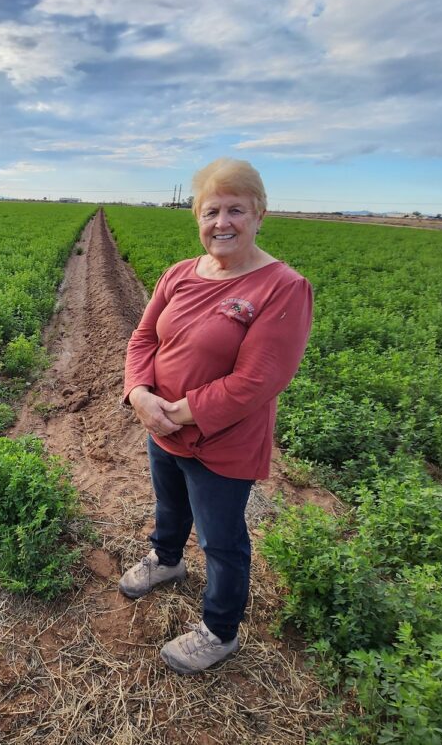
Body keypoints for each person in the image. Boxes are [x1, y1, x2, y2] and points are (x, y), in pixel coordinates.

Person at [120, 158, 313, 674]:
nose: (222, 222)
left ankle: (220, 630)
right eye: (211, 211)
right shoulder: (179, 274)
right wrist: (139, 393)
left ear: (259, 215)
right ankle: (166, 560)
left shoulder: (282, 287)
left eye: (236, 210)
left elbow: (258, 381)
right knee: (169, 503)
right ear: (198, 219)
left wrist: (178, 412)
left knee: (221, 539)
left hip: (221, 441)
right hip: (161, 425)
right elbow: (143, 338)